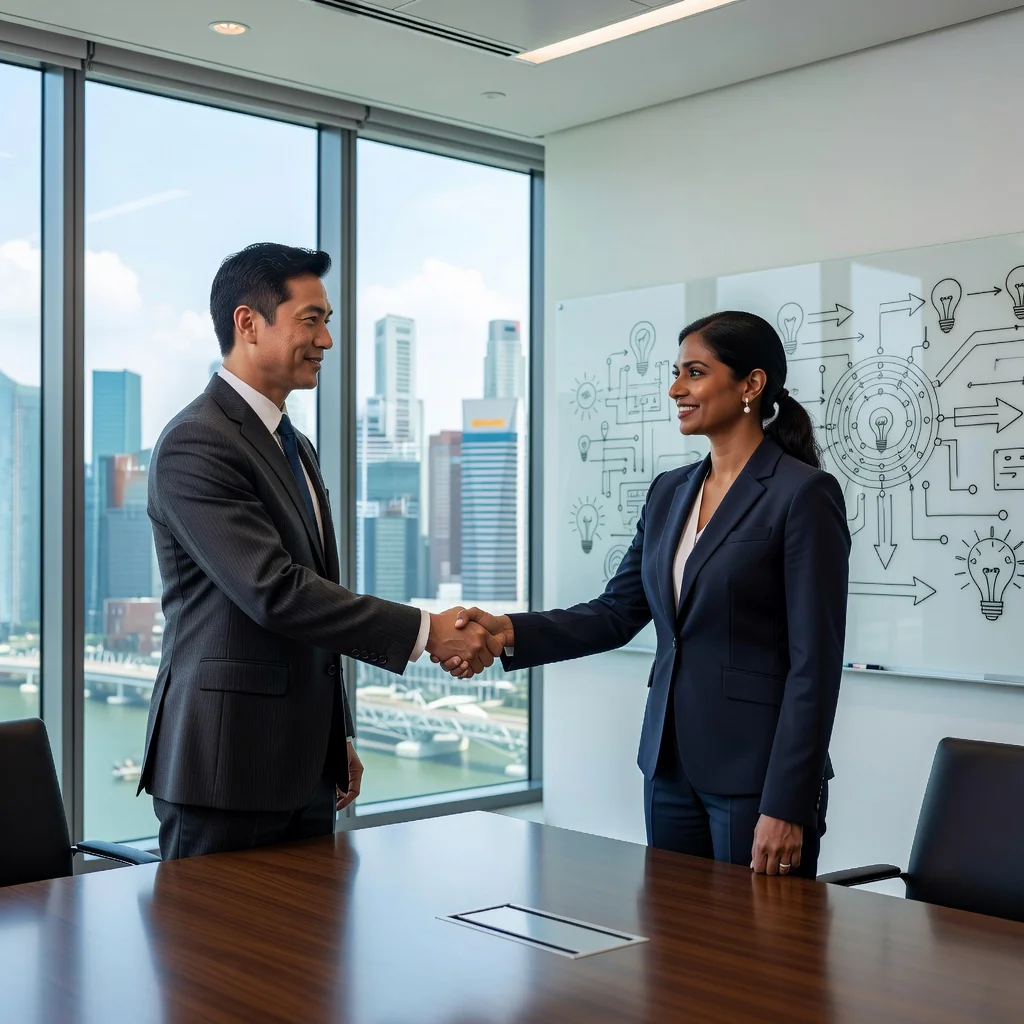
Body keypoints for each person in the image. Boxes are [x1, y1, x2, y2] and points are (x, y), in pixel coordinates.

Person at [444, 311, 851, 878]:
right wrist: (507, 631)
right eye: (675, 372)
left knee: (760, 953)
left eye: (695, 372)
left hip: (757, 775)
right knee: (672, 948)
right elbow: (617, 612)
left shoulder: (803, 494)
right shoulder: (669, 492)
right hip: (668, 765)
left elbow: (817, 664)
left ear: (751, 385)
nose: (675, 388)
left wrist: (787, 801)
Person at [140, 242, 499, 859]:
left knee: (306, 956)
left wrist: (338, 737)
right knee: (216, 956)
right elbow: (275, 591)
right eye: (312, 320)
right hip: (226, 770)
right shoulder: (197, 442)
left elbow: (314, 605)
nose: (327, 340)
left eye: (327, 321)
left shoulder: (293, 444)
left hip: (302, 767)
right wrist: (426, 631)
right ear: (248, 324)